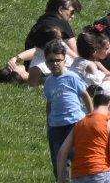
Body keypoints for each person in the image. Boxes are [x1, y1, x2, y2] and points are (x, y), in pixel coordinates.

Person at [41, 41, 90, 175]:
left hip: (74, 122)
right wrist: (48, 122)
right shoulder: (48, 82)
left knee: (77, 155)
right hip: (55, 126)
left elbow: (85, 95)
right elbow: (49, 102)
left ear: (65, 60)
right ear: (46, 62)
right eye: (51, 61)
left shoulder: (72, 77)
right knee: (58, 159)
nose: (55, 63)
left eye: (58, 60)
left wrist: (91, 116)